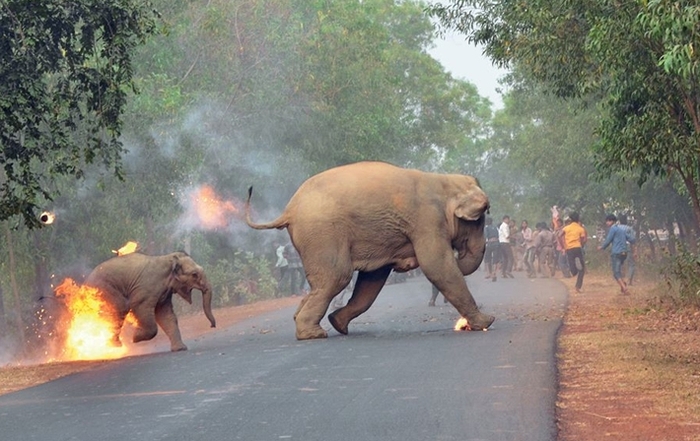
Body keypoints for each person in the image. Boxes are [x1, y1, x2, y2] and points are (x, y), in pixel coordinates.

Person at [598, 214, 636, 294]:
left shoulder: (613, 229)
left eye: (607, 221)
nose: (607, 223)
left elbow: (608, 240)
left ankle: (625, 288)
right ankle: (623, 286)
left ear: (611, 221)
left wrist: (602, 247)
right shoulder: (621, 230)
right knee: (619, 270)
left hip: (616, 253)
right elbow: (632, 239)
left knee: (616, 273)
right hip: (624, 253)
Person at [559, 211, 587, 292]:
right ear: (578, 219)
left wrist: (563, 246)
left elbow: (559, 235)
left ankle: (574, 272)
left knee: (572, 268)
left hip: (569, 249)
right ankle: (578, 286)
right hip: (578, 248)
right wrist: (581, 245)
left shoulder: (566, 228)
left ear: (570, 219)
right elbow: (583, 239)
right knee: (582, 269)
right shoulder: (580, 228)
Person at [618, 214, 636, 285]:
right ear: (626, 221)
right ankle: (629, 280)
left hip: (619, 247)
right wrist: (634, 251)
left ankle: (621, 279)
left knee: (620, 263)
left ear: (619, 221)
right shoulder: (629, 229)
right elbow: (632, 241)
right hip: (627, 247)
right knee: (631, 264)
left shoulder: (617, 228)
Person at [483, 216, 500, 281]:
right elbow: (498, 236)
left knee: (487, 258)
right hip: (496, 243)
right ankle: (494, 273)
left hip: (490, 243)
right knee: (495, 259)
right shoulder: (495, 228)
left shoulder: (486, 228)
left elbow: (485, 236)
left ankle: (488, 273)